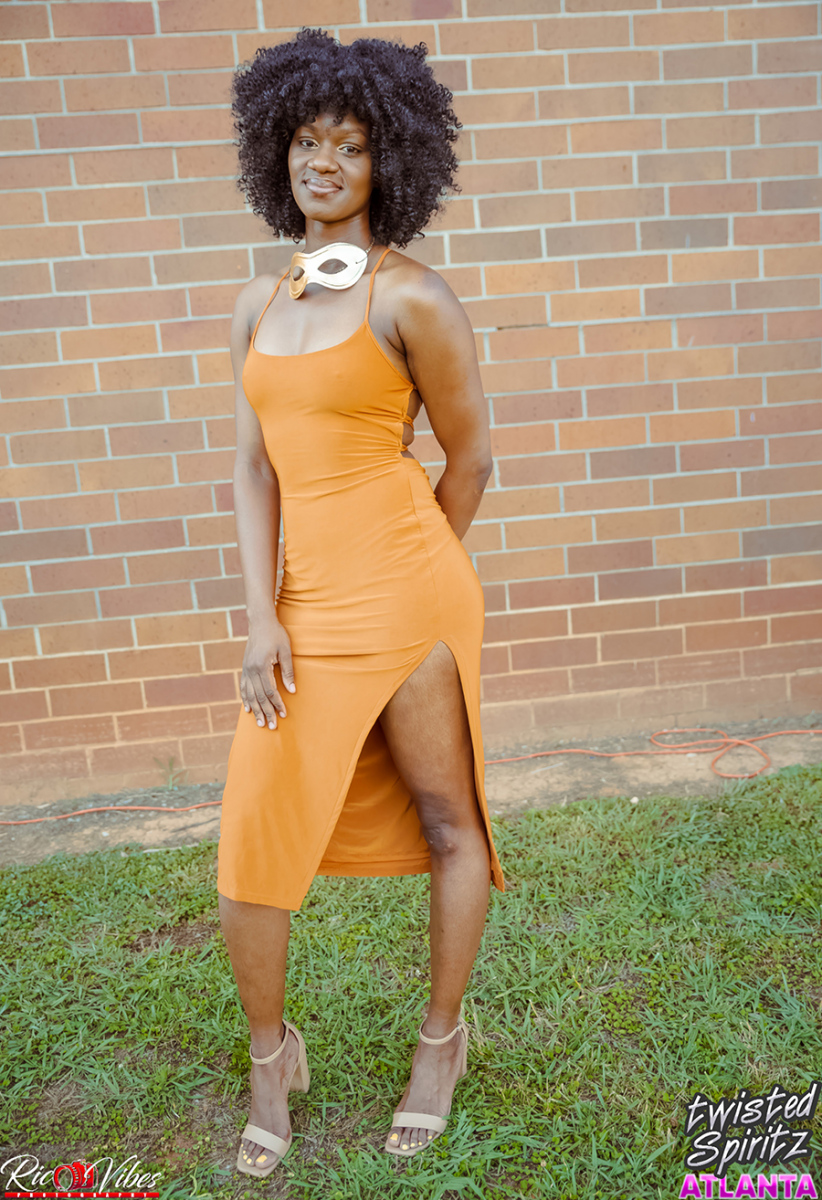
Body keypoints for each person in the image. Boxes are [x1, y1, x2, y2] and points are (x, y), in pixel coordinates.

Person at [216, 27, 506, 1178]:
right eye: (305, 139)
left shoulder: (413, 297)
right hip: (301, 608)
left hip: (411, 595)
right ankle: (269, 1057)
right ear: (275, 151)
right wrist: (261, 615)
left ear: (390, 159)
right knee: (253, 838)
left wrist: (413, 576)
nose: (323, 162)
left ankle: (442, 1043)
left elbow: (471, 459)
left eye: (348, 143)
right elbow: (253, 468)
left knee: (448, 820)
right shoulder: (257, 301)